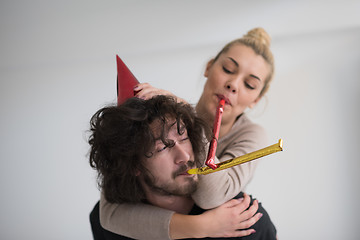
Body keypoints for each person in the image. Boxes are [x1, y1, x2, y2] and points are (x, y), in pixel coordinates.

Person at [100, 27, 277, 239]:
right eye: (228, 69)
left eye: (249, 85)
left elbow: (211, 196)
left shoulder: (251, 135)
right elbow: (109, 213)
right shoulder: (168, 116)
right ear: (209, 67)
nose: (233, 85)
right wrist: (201, 226)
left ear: (256, 100)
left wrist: (192, 121)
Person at [88, 95, 263, 239]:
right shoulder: (108, 224)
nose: (185, 156)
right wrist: (201, 227)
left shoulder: (241, 219)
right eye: (163, 147)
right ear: (133, 165)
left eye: (184, 138)